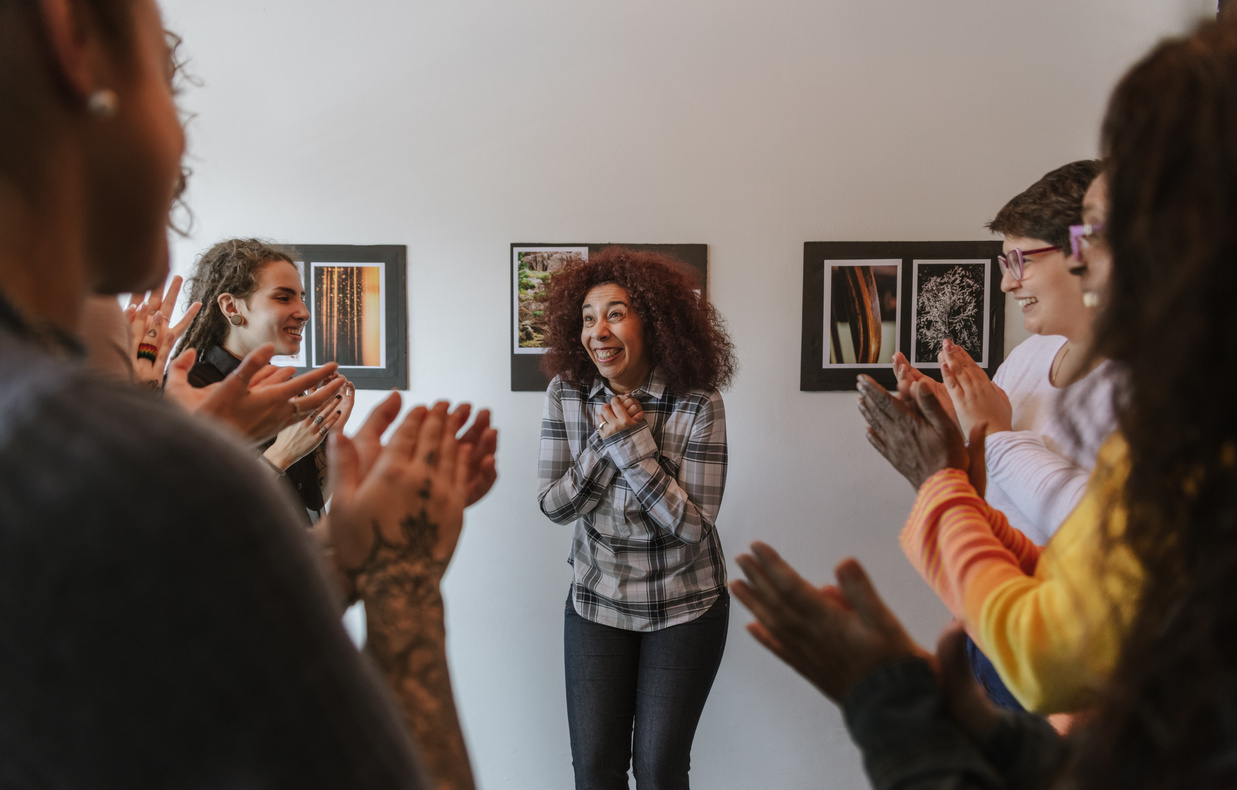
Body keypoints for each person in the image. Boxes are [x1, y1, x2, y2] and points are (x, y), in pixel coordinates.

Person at [0, 2, 494, 788]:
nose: (184, 145)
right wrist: (403, 580)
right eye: (171, 86)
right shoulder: (131, 456)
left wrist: (337, 538)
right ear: (78, 44)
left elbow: (180, 664)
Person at [740, 16, 1237, 789]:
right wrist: (952, 469)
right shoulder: (1076, 373)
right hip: (1000, 639)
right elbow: (1089, 569)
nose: (1089, 265)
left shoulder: (1174, 409)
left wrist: (887, 693)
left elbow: (1054, 642)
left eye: (1098, 238)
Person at [894, 161, 1116, 711]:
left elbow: (1095, 530)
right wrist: (950, 434)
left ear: (1084, 251)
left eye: (1021, 260)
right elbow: (992, 489)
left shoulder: (1152, 379)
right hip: (990, 617)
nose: (1006, 281)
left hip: (1073, 650)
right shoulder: (1027, 357)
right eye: (1003, 261)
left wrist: (992, 434)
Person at [537, 246, 737, 790]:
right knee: (596, 771)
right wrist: (607, 445)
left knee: (658, 770)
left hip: (685, 605)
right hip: (597, 601)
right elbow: (553, 505)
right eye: (586, 318)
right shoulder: (566, 395)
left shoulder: (698, 402)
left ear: (654, 321)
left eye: (616, 313)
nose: (597, 331)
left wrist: (628, 444)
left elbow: (693, 528)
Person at [178, 238, 355, 523]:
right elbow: (194, 518)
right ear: (231, 307)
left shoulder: (281, 389)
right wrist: (282, 454)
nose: (304, 312)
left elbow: (312, 499)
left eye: (301, 297)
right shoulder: (188, 390)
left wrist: (329, 429)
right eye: (284, 298)